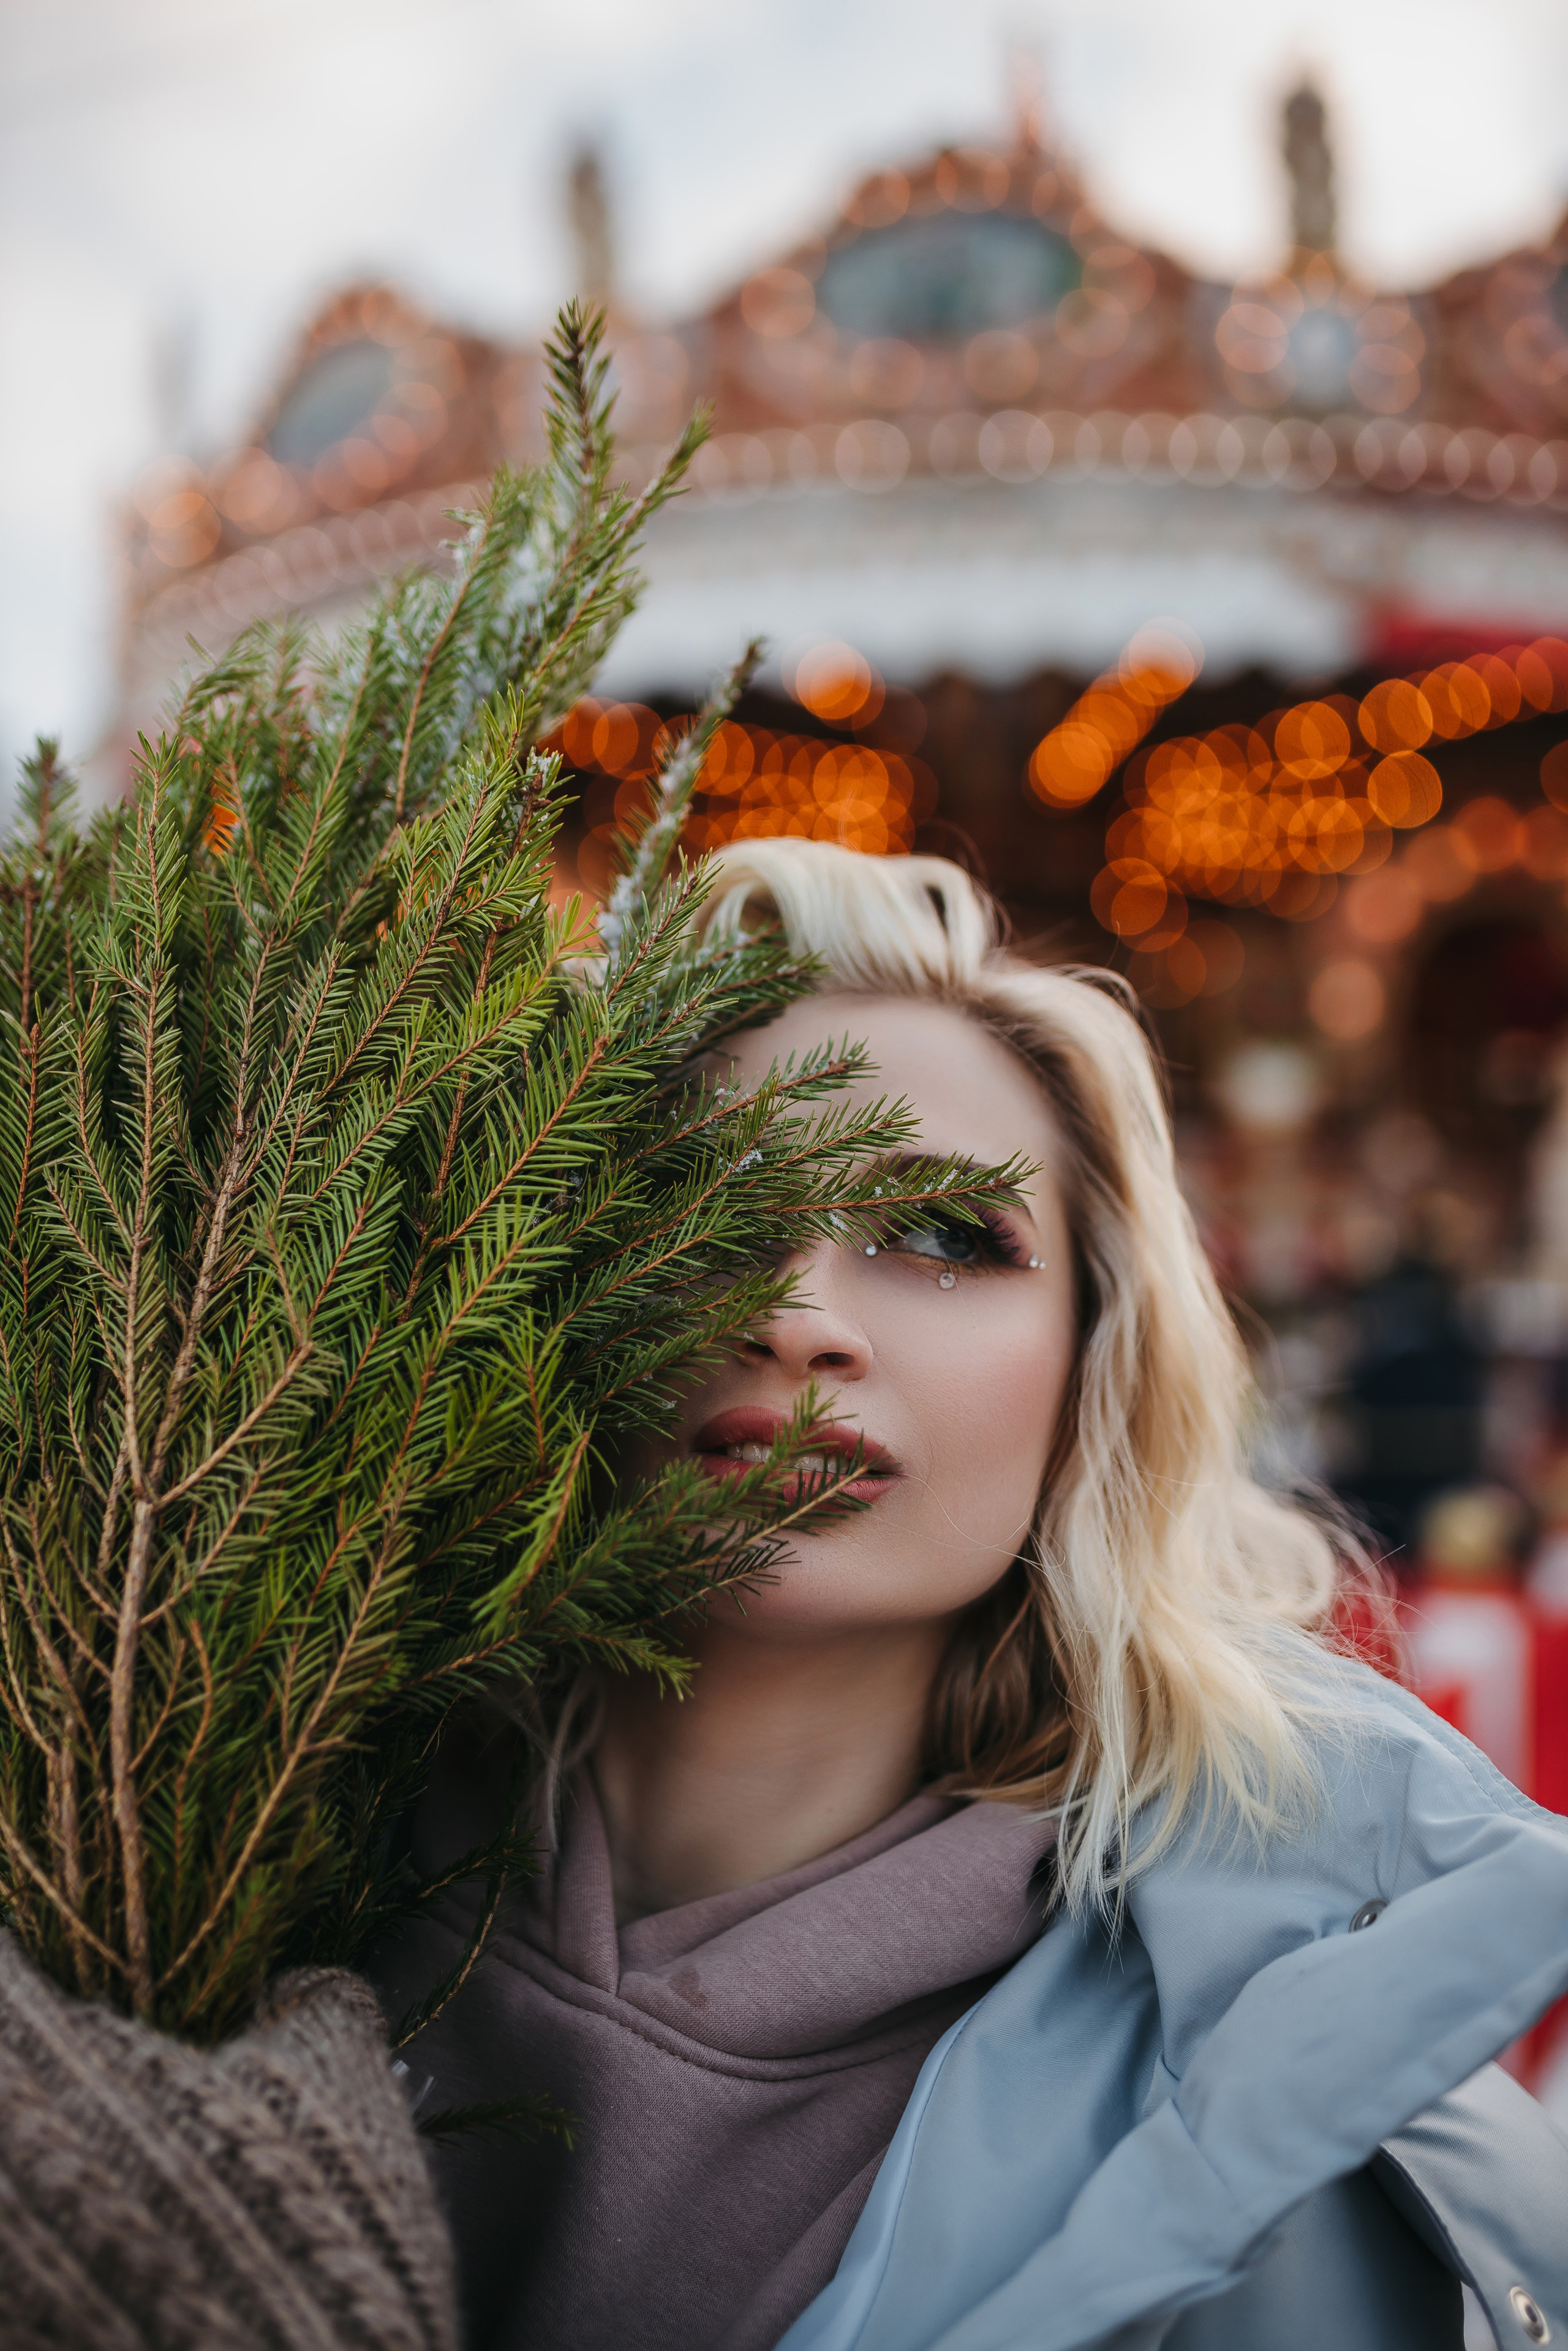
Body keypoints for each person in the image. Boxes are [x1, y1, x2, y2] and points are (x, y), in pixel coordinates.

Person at [370, 839, 1568, 2351]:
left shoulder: (1305, 2143)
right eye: (700, 1202)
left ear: (1091, 1374)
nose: (796, 1316)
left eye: (940, 1234)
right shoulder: (211, 1862)